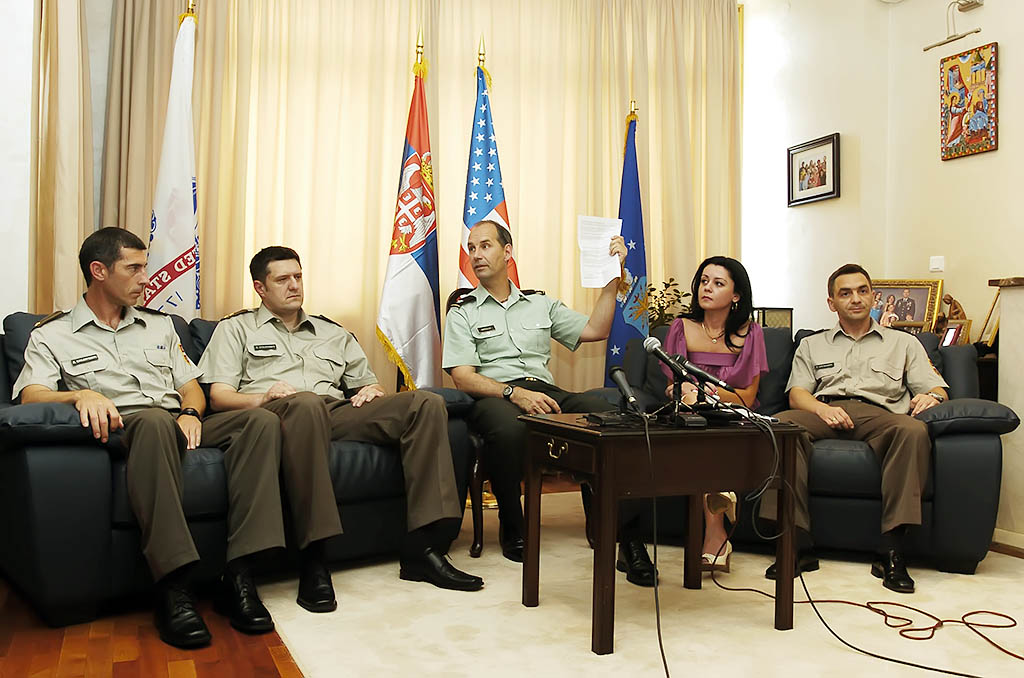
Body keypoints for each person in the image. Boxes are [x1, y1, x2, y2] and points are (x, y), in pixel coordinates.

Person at [14, 227, 286, 649]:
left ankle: (240, 575)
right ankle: (174, 586)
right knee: (156, 421)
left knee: (261, 422)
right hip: (125, 428)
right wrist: (80, 394)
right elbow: (31, 396)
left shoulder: (160, 327)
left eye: (146, 267)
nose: (146, 278)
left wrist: (191, 412)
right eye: (134, 268)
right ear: (99, 271)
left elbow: (190, 386)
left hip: (177, 421)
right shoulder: (52, 334)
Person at [198, 246, 483, 598]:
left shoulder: (331, 332)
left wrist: (372, 391)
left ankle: (423, 548)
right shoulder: (235, 329)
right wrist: (263, 397)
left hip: (333, 411)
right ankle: (313, 556)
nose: (294, 286)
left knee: (425, 403)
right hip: (275, 413)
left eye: (298, 277)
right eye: (282, 279)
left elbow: (367, 383)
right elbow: (219, 396)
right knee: (305, 404)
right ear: (260, 288)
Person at [443, 221, 657, 586]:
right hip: (495, 396)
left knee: (614, 416)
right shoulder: (463, 312)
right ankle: (513, 525)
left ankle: (628, 539)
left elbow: (595, 330)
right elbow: (463, 377)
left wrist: (612, 278)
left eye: (485, 246)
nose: (476, 254)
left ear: (507, 252)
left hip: (545, 391)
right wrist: (513, 393)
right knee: (511, 428)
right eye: (472, 248)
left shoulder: (540, 303)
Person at [760, 263, 948, 593]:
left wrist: (932, 397)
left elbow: (936, 388)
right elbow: (797, 393)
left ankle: (891, 549)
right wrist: (823, 409)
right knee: (780, 427)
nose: (856, 299)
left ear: (874, 296)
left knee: (912, 430)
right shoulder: (812, 344)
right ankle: (795, 544)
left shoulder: (903, 343)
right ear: (832, 302)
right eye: (845, 293)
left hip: (879, 414)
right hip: (824, 409)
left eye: (862, 291)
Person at [660, 256, 767, 572]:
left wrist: (707, 394)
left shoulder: (752, 333)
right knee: (696, 422)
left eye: (718, 283)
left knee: (708, 429)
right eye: (704, 281)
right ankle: (717, 526)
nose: (707, 288)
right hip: (690, 414)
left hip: (735, 415)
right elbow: (673, 385)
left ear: (736, 295)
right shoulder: (681, 328)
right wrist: (685, 392)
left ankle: (716, 534)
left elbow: (748, 397)